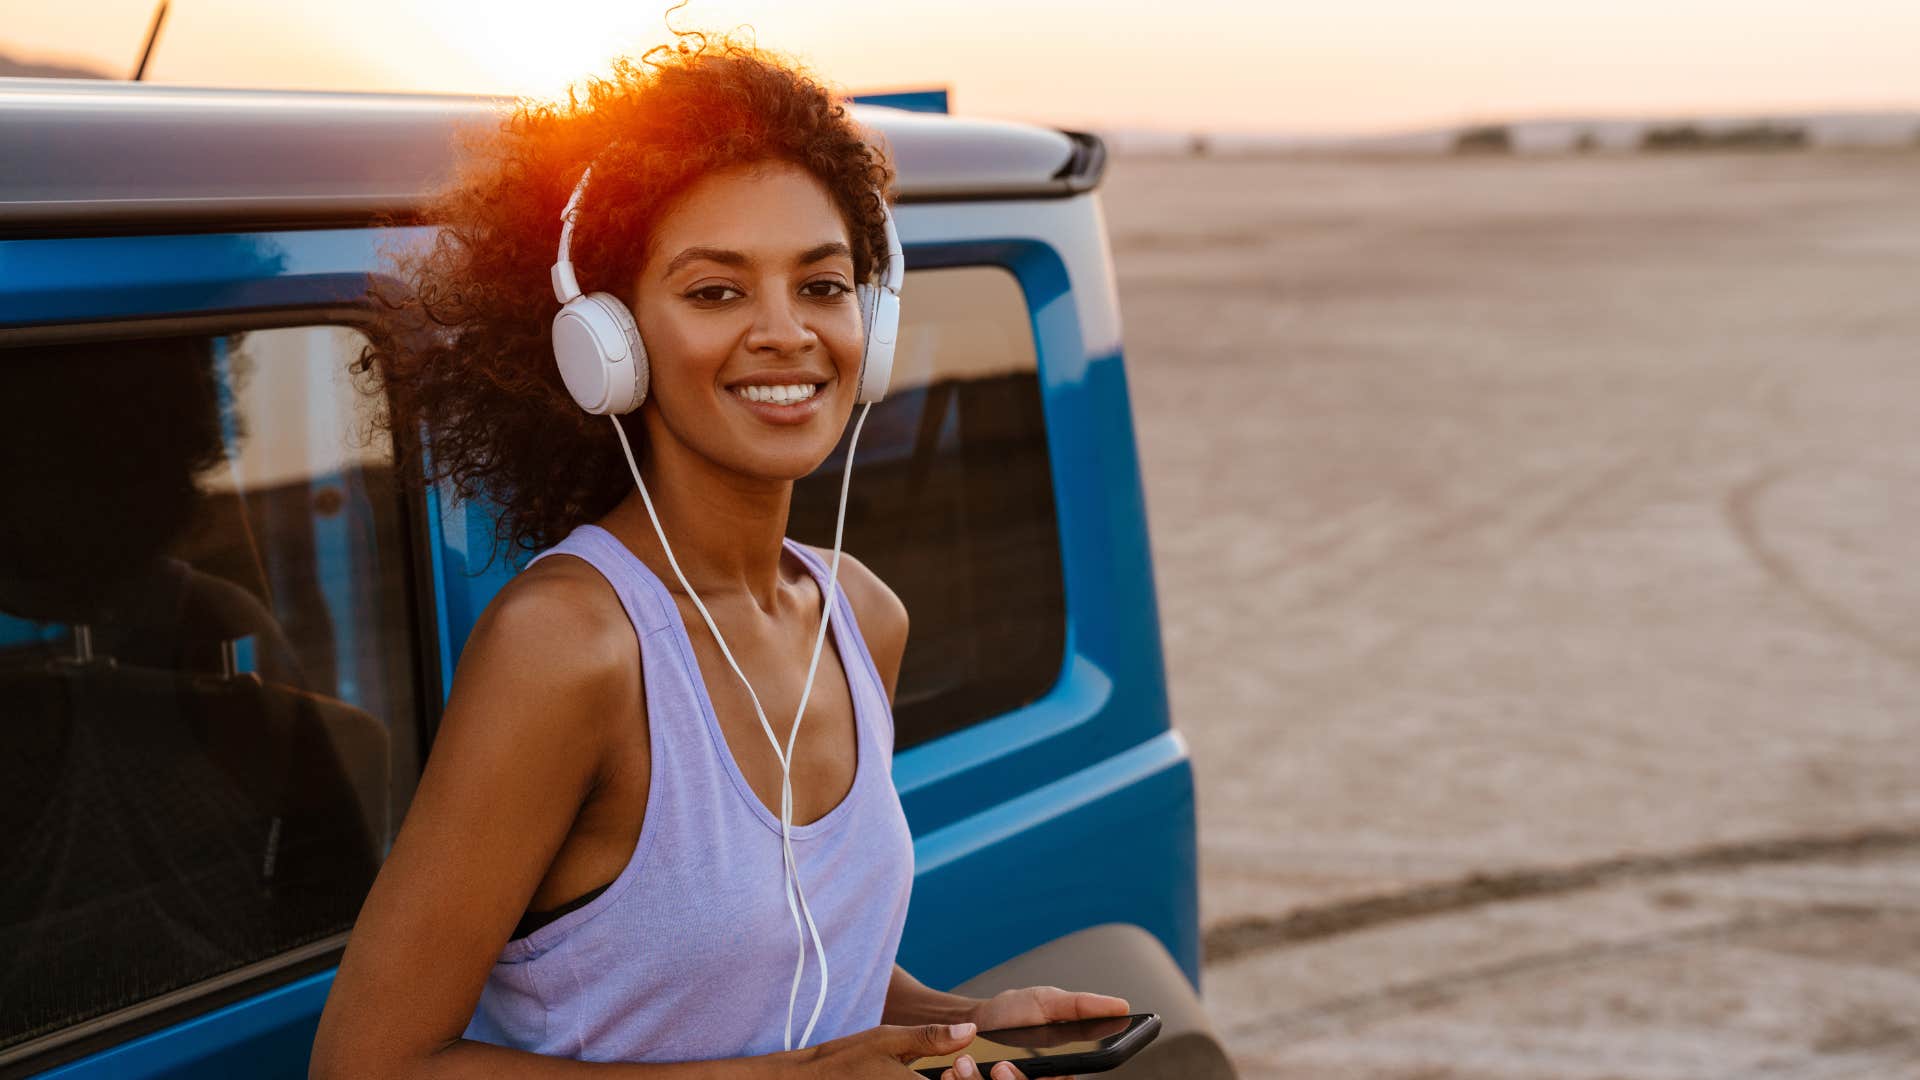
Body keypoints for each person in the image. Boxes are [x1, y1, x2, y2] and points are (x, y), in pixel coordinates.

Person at [310, 39, 1127, 1080]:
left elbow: (783, 966)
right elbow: (367, 1067)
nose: (785, 333)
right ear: (606, 341)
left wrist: (955, 1020)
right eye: (714, 293)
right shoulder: (569, 645)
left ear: (868, 327)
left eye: (823, 285)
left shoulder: (859, 616)